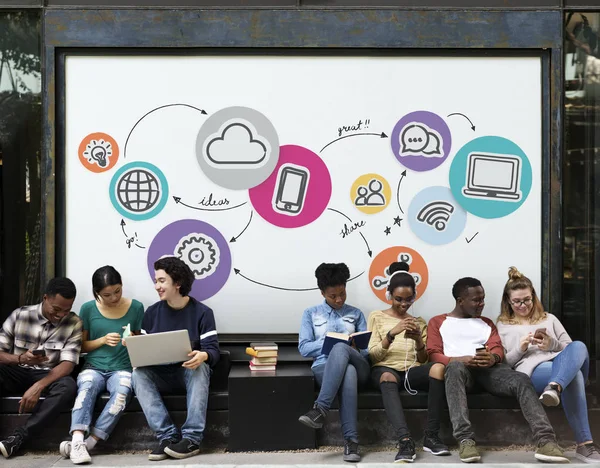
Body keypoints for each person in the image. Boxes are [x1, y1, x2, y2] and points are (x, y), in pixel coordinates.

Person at [427, 277, 568, 464]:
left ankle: (546, 441)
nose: (482, 304)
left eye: (483, 299)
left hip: (489, 372)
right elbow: (433, 354)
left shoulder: (487, 323)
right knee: (453, 368)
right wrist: (461, 359)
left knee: (520, 379)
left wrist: (492, 358)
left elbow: (497, 349)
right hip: (460, 372)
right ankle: (465, 440)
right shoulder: (438, 321)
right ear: (460, 301)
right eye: (476, 300)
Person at [497, 266, 599, 463]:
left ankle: (555, 387)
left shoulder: (549, 318)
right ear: (508, 301)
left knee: (579, 345)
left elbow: (572, 350)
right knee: (575, 377)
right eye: (517, 301)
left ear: (534, 296)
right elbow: (505, 364)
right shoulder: (502, 325)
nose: (523, 305)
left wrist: (551, 344)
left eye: (527, 299)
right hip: (533, 371)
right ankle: (585, 445)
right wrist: (521, 348)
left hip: (560, 364)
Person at [132, 256, 219, 461]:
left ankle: (191, 439)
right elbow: (144, 352)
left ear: (177, 283)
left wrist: (203, 355)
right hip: (161, 373)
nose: (157, 286)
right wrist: (134, 346)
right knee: (138, 374)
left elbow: (213, 351)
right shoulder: (151, 313)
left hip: (188, 373)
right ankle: (168, 437)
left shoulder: (203, 313)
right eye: (156, 281)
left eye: (162, 281)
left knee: (200, 367)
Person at [59, 266, 144, 464]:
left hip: (123, 368)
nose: (114, 298)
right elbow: (80, 346)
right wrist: (103, 340)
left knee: (121, 395)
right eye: (107, 294)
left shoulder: (137, 307)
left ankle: (89, 444)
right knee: (86, 389)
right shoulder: (88, 309)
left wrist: (132, 340)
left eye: (118, 291)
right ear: (96, 292)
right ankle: (78, 439)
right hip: (94, 367)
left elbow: (140, 345)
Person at [367, 262, 449, 462]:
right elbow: (373, 356)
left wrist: (419, 341)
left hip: (411, 372)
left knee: (438, 368)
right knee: (387, 376)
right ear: (389, 296)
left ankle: (431, 436)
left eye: (409, 299)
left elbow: (423, 360)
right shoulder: (376, 316)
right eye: (398, 299)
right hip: (386, 370)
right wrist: (391, 334)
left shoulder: (419, 321)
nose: (404, 304)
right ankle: (405, 441)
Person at [0, 278, 81, 459]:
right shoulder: (20, 315)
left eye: (66, 310)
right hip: (17, 370)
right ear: (45, 298)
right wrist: (20, 358)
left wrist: (39, 386)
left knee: (68, 386)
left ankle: (19, 437)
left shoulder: (74, 322)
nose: (60, 315)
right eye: (56, 309)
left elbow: (68, 364)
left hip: (47, 375)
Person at [298, 263, 370, 463]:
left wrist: (349, 346)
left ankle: (320, 409)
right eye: (333, 296)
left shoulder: (356, 313)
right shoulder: (310, 314)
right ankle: (351, 441)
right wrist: (331, 340)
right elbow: (304, 348)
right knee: (347, 371)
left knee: (343, 353)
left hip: (359, 365)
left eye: (342, 293)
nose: (339, 299)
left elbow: (366, 353)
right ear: (322, 292)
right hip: (325, 367)